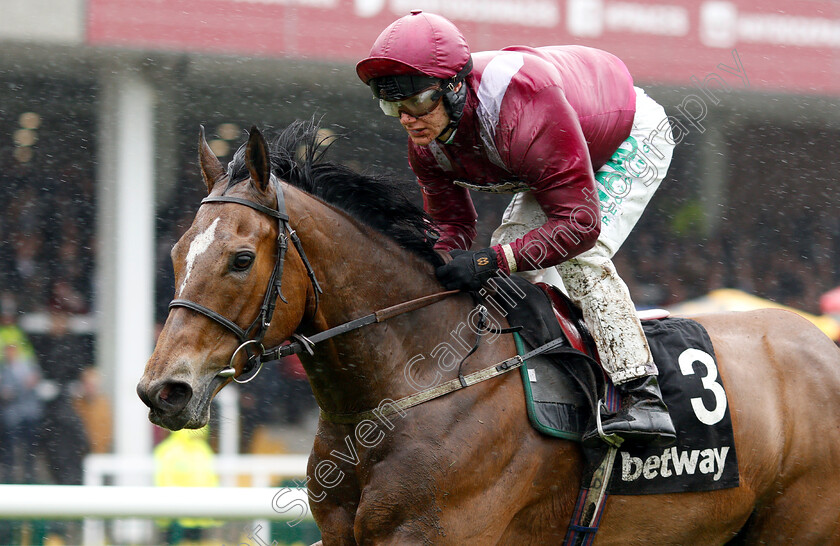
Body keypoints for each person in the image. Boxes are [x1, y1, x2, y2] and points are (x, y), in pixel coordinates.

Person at [356, 11, 677, 447]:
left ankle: (642, 394)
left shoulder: (523, 108)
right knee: (509, 257)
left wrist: (490, 260)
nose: (406, 120)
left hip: (628, 133)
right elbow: (452, 228)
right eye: (391, 105)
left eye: (414, 103)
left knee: (578, 255)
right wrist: (433, 267)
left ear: (453, 87)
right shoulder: (427, 148)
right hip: (561, 141)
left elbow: (579, 225)